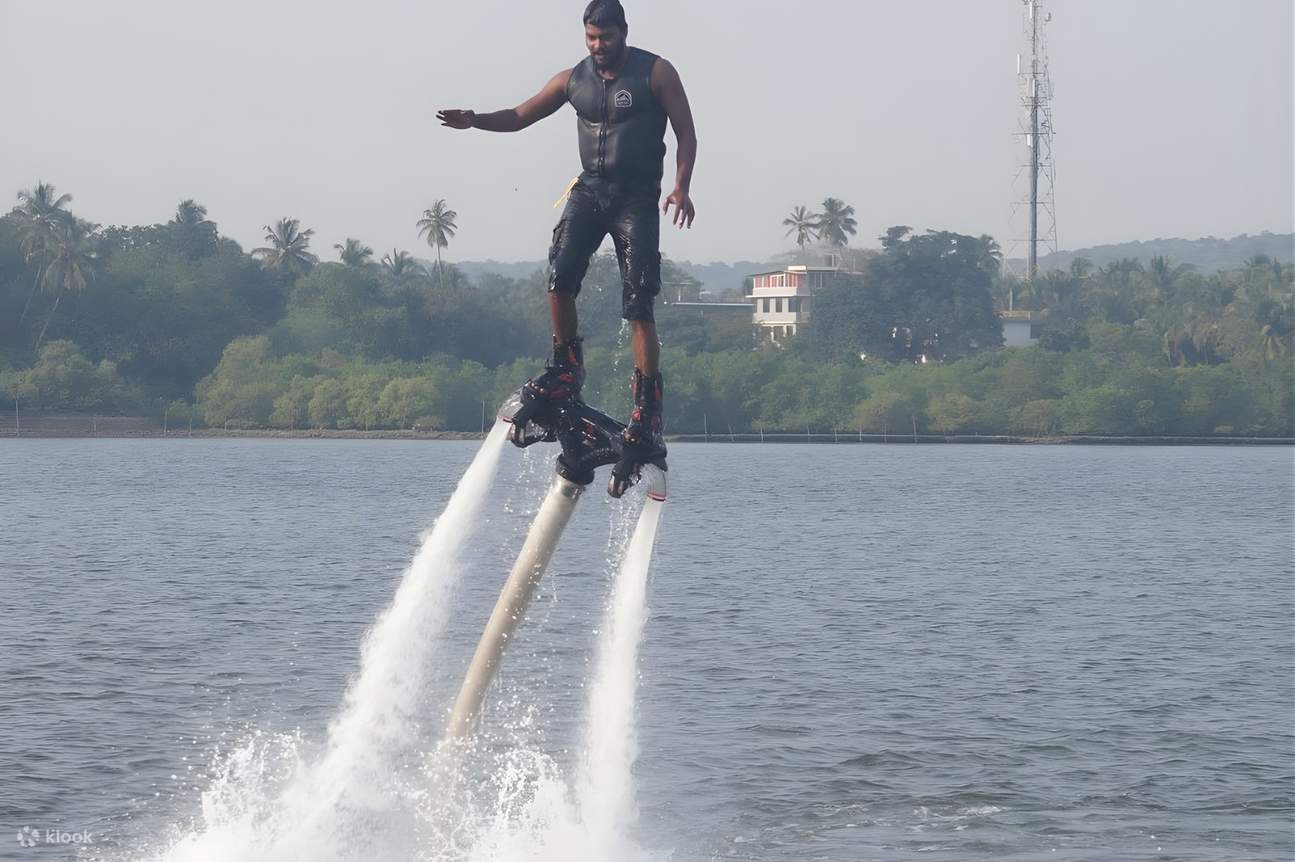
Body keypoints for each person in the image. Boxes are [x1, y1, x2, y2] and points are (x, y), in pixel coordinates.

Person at [438, 0, 696, 457]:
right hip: (589, 191)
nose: (598, 45)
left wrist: (681, 186)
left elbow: (686, 133)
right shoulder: (573, 79)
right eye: (591, 38)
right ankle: (566, 369)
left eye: (606, 37)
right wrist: (475, 120)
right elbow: (520, 116)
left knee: (638, 305)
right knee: (559, 278)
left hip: (636, 199)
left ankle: (647, 409)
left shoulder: (655, 72)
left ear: (623, 32)